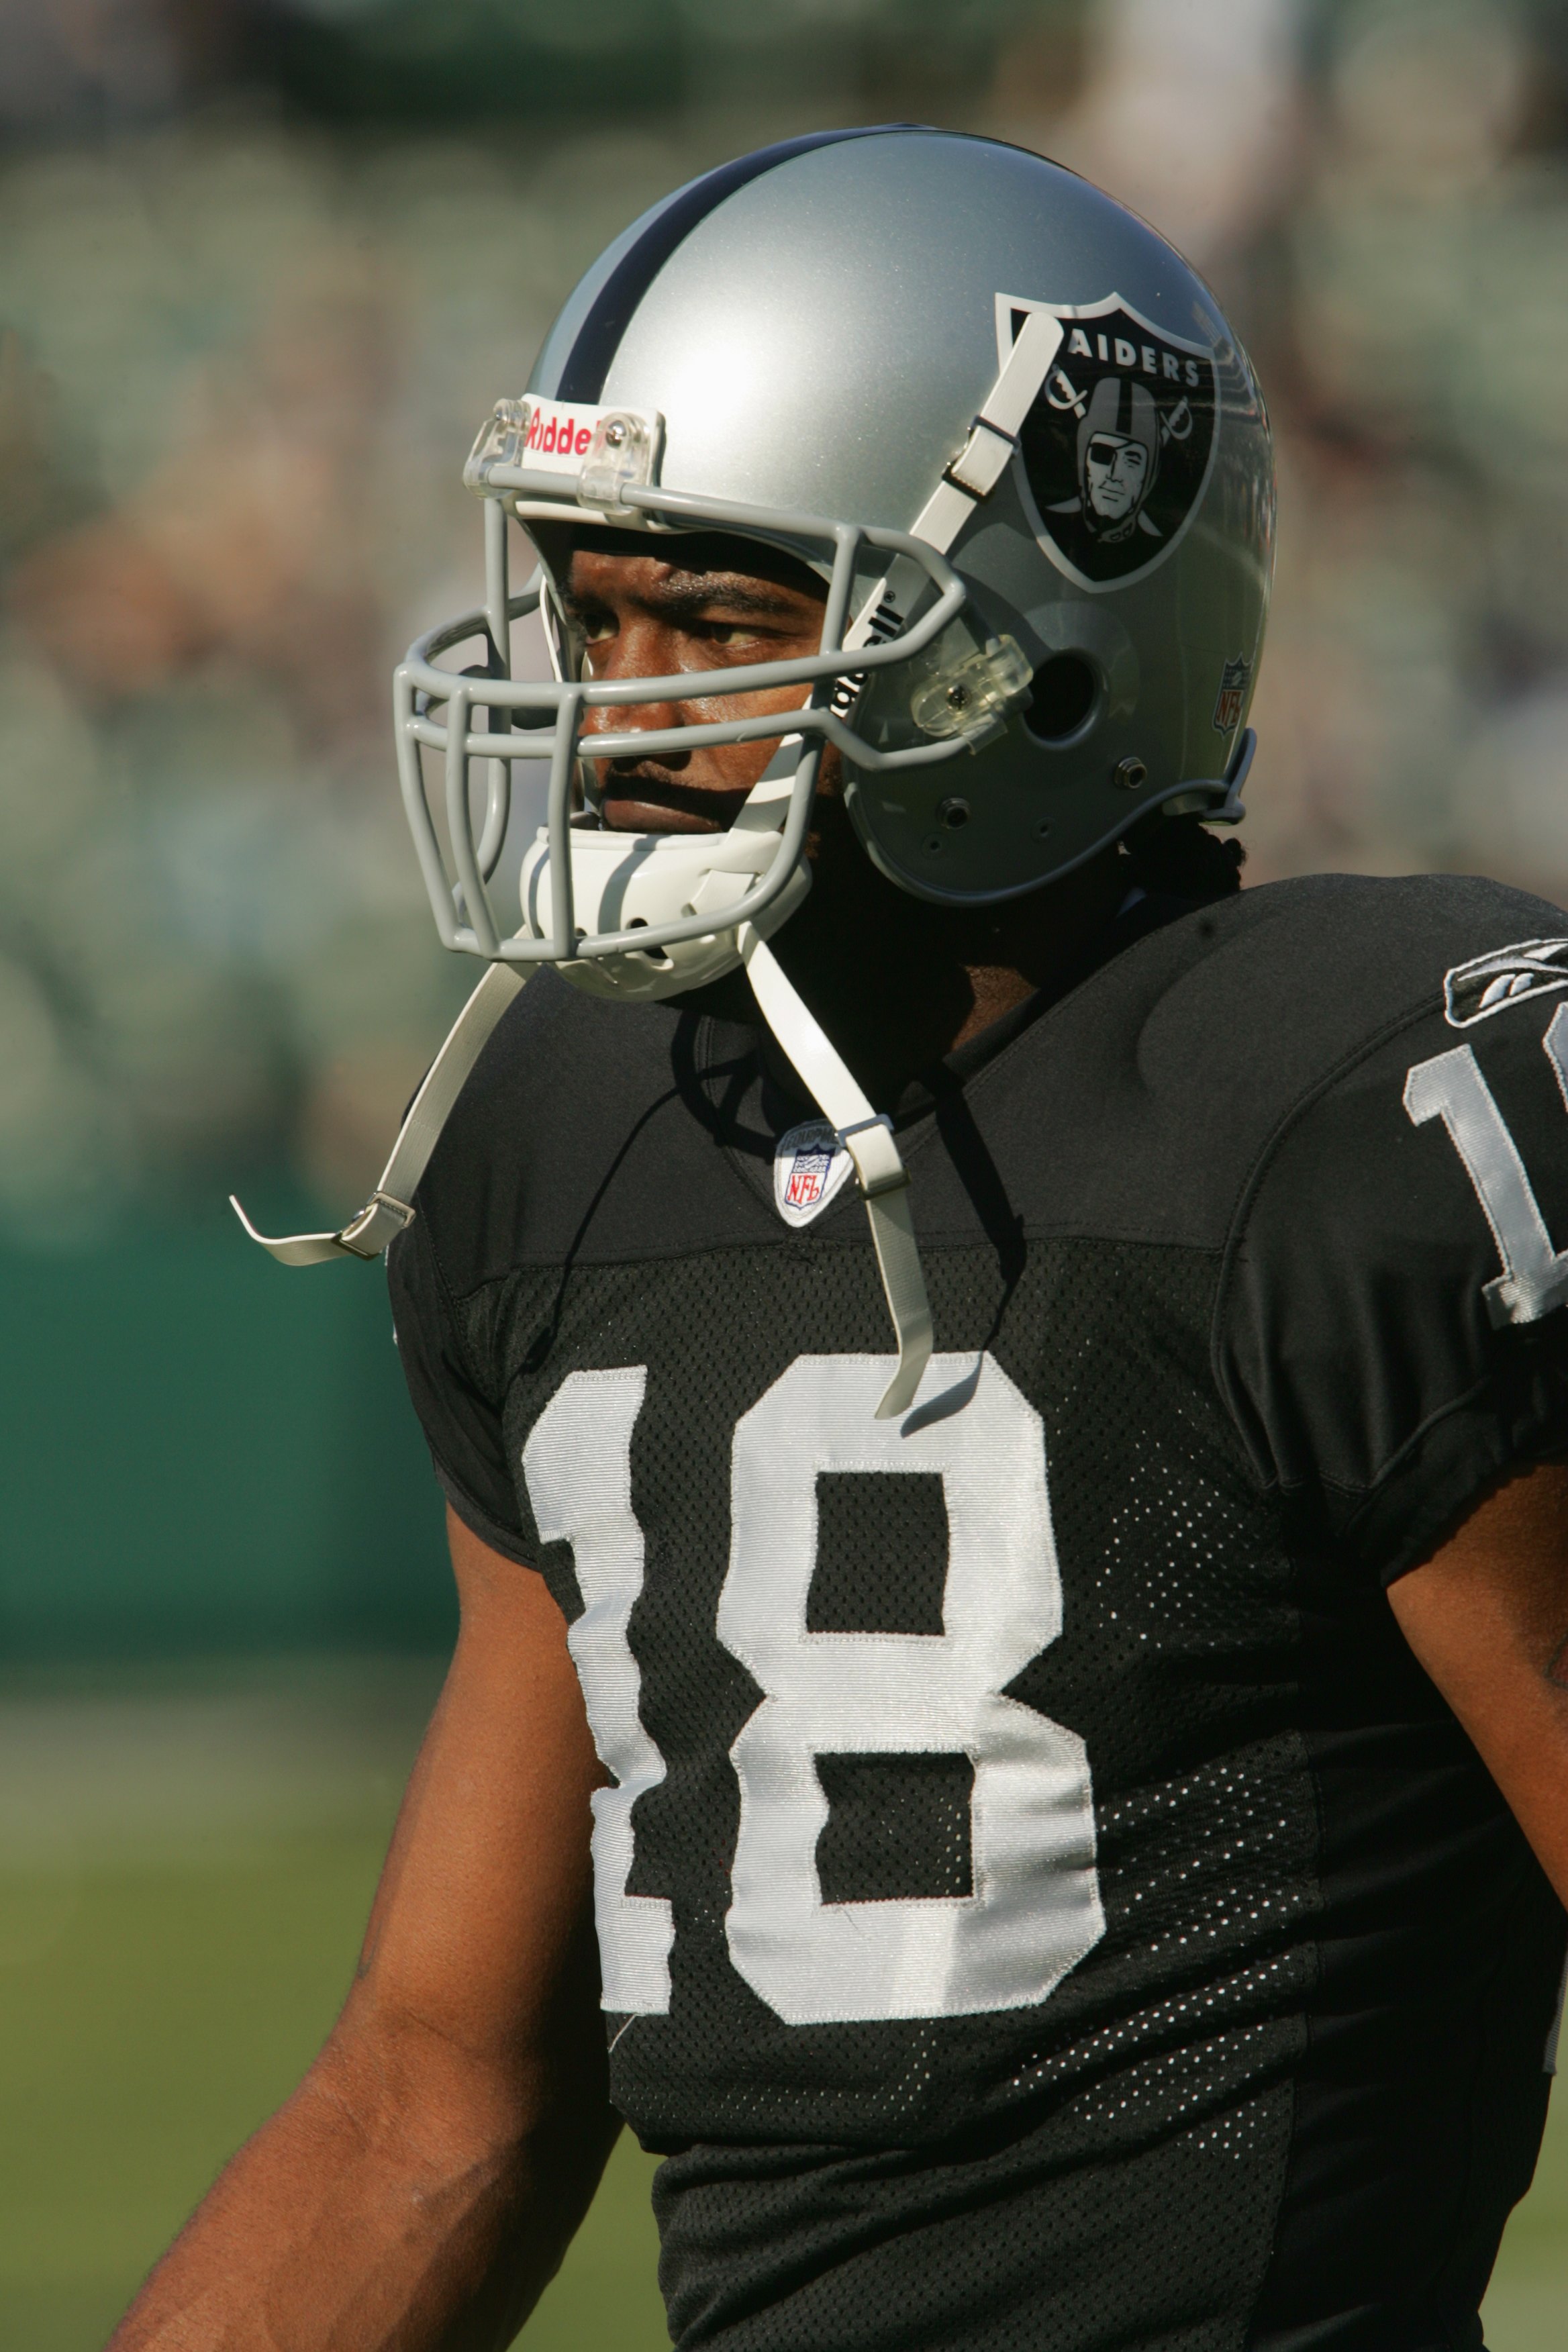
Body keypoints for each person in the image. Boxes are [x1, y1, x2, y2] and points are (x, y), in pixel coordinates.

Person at [111, 128, 1568, 2352]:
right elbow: (435, 2096)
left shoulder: (1334, 1116)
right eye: (595, 612)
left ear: (1046, 633)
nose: (621, 711)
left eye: (712, 615)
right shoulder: (571, 1137)